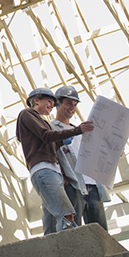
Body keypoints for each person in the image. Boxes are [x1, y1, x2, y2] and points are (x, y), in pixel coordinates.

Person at [16, 87, 94, 234]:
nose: (52, 105)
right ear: (36, 100)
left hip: (51, 171)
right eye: (49, 101)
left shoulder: (41, 122)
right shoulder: (27, 113)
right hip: (44, 170)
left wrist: (61, 141)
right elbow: (46, 136)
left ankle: (68, 242)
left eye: (53, 103)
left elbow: (48, 141)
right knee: (65, 215)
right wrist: (76, 130)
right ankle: (65, 246)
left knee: (66, 214)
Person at [50, 86, 111, 231]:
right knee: (75, 231)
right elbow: (49, 154)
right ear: (58, 103)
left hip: (93, 185)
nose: (72, 108)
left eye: (75, 104)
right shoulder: (51, 128)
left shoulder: (82, 131)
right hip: (74, 184)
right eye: (69, 103)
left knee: (100, 232)